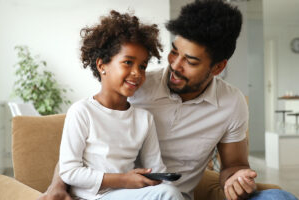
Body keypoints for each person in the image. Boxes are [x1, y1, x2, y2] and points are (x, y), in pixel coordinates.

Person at [38, 1, 298, 200]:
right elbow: (87, 136)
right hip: (128, 192)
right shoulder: (135, 86)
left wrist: (237, 179)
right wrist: (57, 186)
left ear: (218, 67)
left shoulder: (232, 103)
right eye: (174, 52)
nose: (175, 65)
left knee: (279, 197)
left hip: (167, 192)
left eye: (191, 61)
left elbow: (234, 165)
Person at [57, 10, 184, 200]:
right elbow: (69, 171)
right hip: (92, 197)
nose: (137, 73)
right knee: (169, 195)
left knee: (170, 192)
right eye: (128, 62)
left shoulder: (144, 118)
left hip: (128, 194)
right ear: (102, 66)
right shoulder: (82, 112)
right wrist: (123, 180)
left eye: (142, 66)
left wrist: (161, 179)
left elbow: (155, 167)